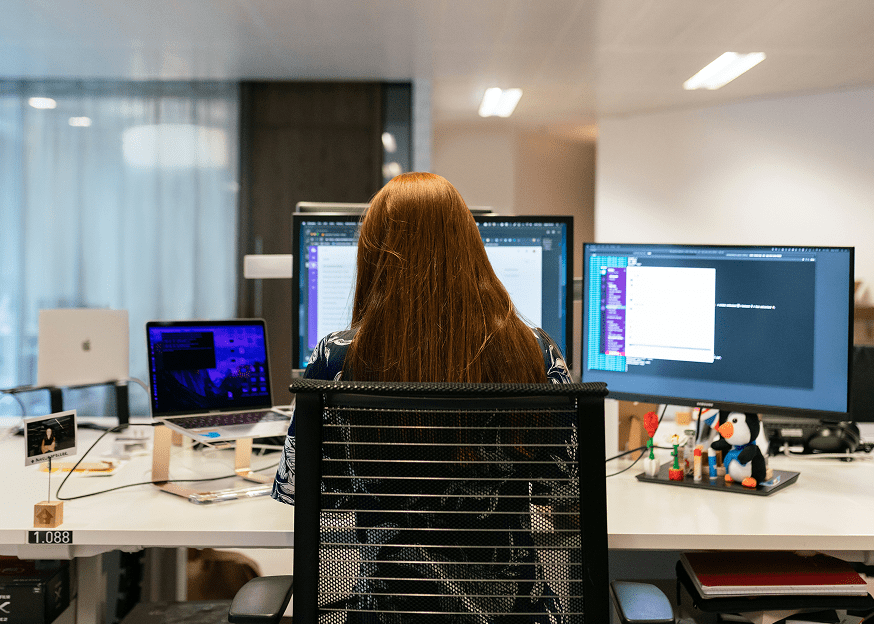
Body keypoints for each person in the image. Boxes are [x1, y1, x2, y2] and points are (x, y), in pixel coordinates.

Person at [272, 172, 575, 619]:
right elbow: (568, 491)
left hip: (388, 612)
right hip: (513, 613)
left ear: (373, 256)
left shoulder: (336, 360)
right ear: (471, 247)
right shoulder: (536, 351)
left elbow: (300, 489)